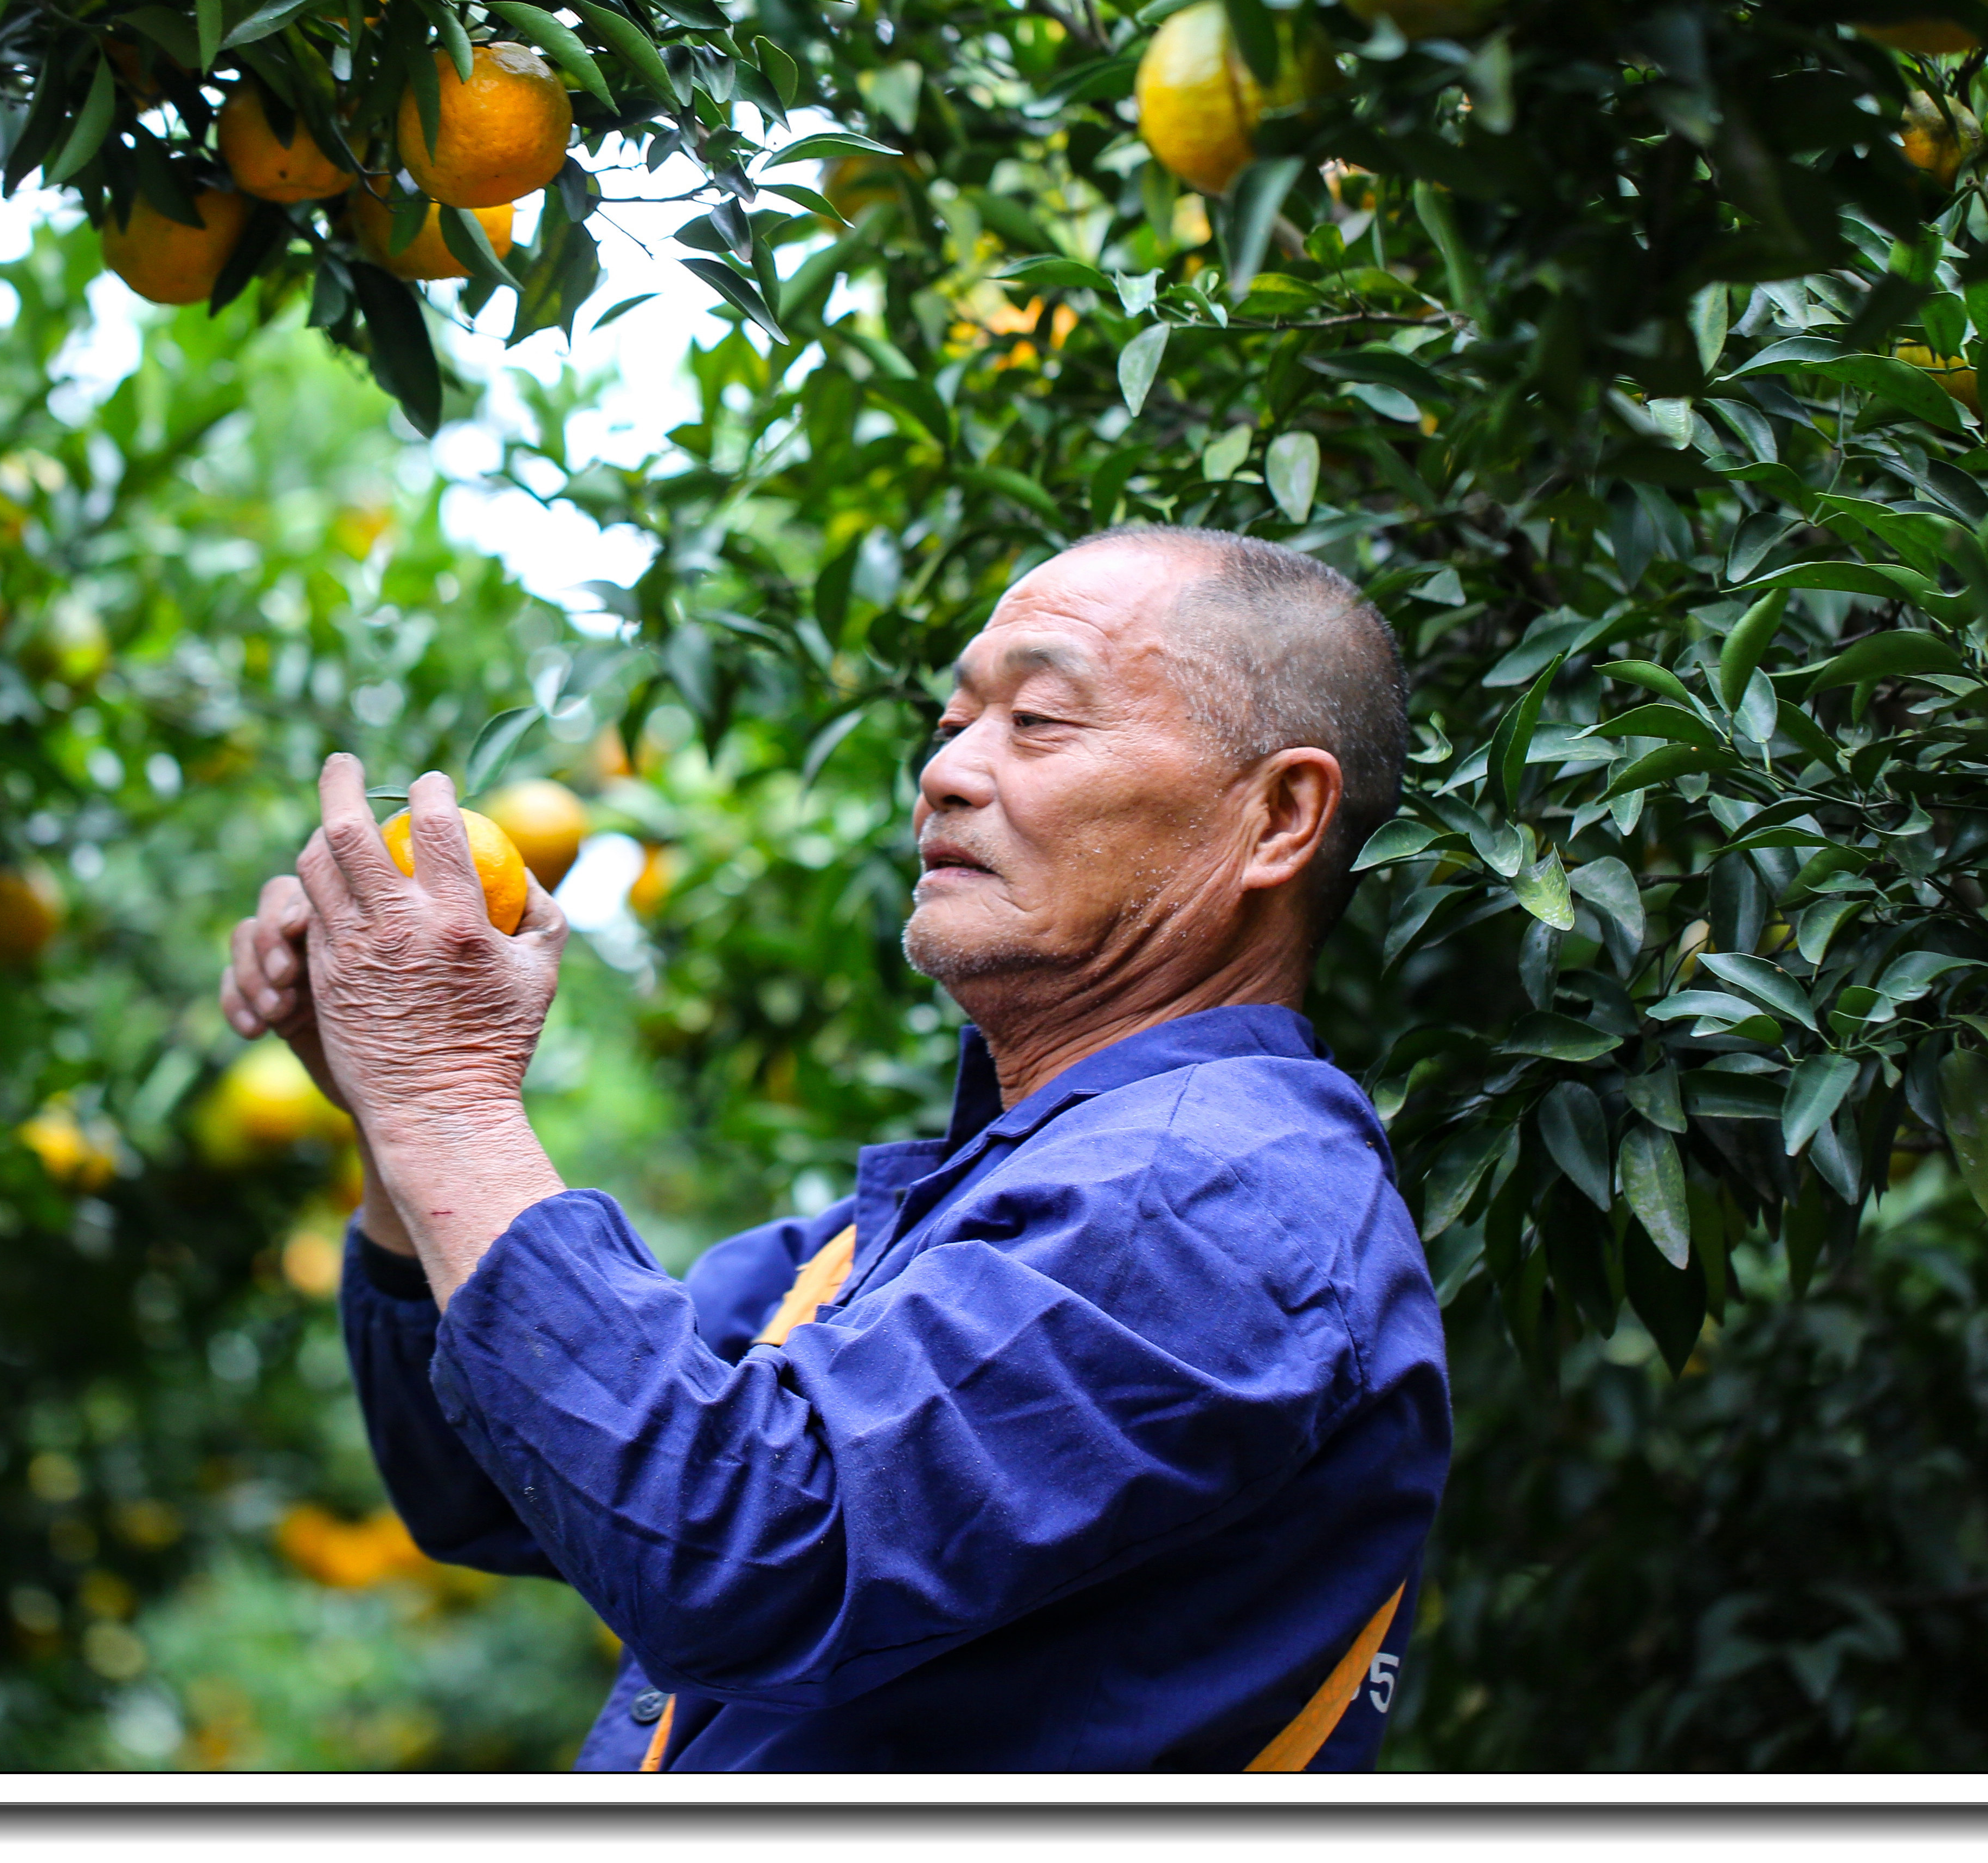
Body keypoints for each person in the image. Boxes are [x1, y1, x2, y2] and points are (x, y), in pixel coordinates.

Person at [218, 526, 1449, 1771]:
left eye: (1038, 720)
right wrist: (394, 1119)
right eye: (954, 722)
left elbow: (736, 1548)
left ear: (1280, 816)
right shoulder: (944, 1219)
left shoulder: (1205, 1195)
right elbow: (490, 1482)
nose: (949, 773)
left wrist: (442, 1096)